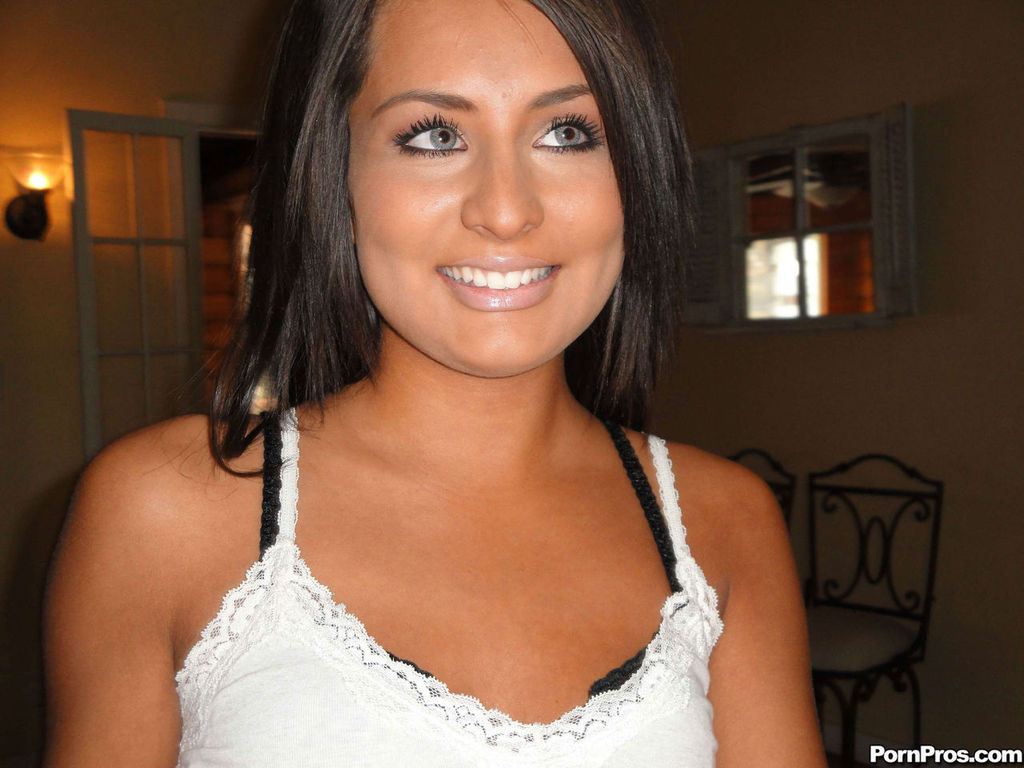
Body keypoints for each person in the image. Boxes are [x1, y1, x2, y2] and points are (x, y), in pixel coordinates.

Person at [43, 0, 827, 765]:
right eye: (434, 135)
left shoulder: (726, 523)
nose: (506, 211)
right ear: (334, 171)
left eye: (567, 133)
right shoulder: (166, 510)